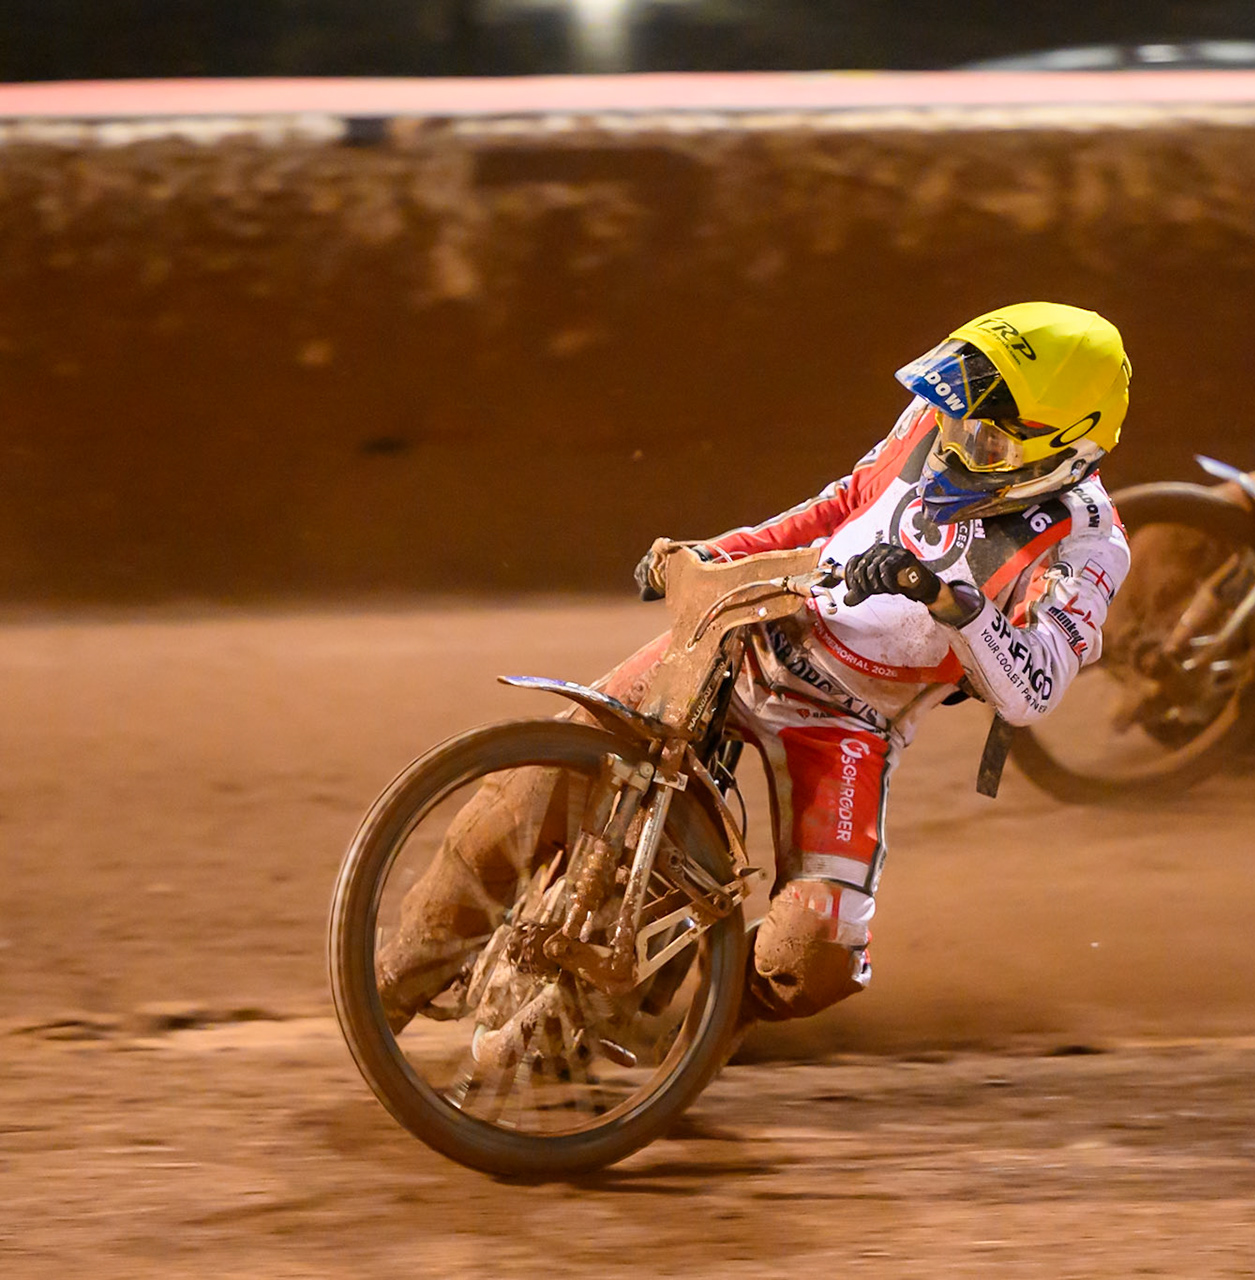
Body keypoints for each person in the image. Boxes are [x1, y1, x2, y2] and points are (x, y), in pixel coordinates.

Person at [377, 301, 1132, 1031]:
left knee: (815, 965)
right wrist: (718, 553)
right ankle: (384, 993)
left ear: (1069, 446)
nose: (961, 443)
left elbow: (1035, 688)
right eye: (959, 416)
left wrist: (943, 597)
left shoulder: (1090, 545)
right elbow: (839, 504)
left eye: (991, 442)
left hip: (846, 722)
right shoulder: (938, 418)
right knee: (526, 798)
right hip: (746, 632)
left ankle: (691, 1040)